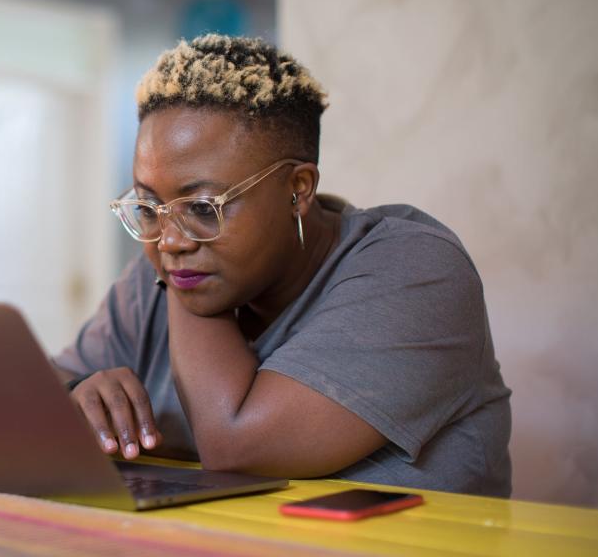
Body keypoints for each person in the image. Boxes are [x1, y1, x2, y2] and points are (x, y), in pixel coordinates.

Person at [53, 34, 512, 497]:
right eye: (149, 206)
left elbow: (235, 444)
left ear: (298, 188)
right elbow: (34, 386)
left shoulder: (416, 271)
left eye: (203, 207)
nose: (168, 240)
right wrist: (79, 391)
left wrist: (187, 289)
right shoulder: (155, 277)